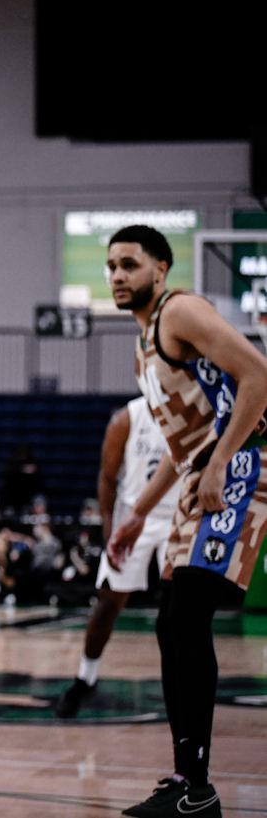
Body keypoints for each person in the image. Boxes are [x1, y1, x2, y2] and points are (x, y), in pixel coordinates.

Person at [105, 224, 267, 817]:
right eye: (112, 266)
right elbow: (182, 451)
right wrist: (134, 516)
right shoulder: (144, 344)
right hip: (204, 473)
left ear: (161, 269)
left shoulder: (181, 312)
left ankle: (196, 792)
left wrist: (222, 462)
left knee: (188, 612)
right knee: (172, 624)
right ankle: (187, 783)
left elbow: (260, 378)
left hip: (243, 464)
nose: (119, 275)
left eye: (130, 264)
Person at [57, 397, 179, 718]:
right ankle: (86, 676)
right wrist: (110, 530)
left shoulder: (192, 409)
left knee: (180, 612)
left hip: (177, 518)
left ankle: (180, 686)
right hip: (133, 517)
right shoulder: (128, 418)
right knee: (109, 603)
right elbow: (108, 477)